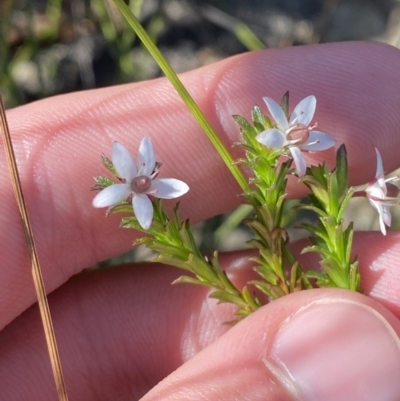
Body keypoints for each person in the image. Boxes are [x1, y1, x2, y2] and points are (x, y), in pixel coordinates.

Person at [1, 41, 400, 401]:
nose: (143, 180)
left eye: (143, 178)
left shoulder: (288, 144)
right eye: (138, 179)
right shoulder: (137, 194)